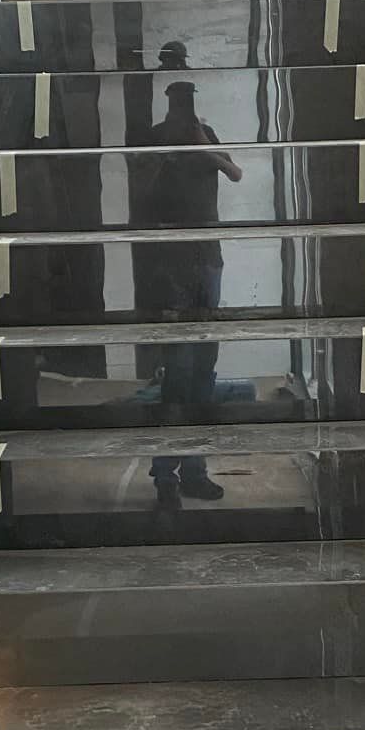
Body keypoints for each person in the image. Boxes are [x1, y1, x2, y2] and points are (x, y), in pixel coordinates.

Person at [133, 78, 243, 507]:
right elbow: (141, 191)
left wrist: (199, 139)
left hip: (208, 260)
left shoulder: (206, 133)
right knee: (176, 372)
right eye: (179, 99)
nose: (184, 105)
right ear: (167, 102)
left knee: (204, 370)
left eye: (189, 98)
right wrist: (170, 152)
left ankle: (195, 470)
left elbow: (234, 172)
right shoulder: (157, 139)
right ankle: (165, 477)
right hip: (170, 266)